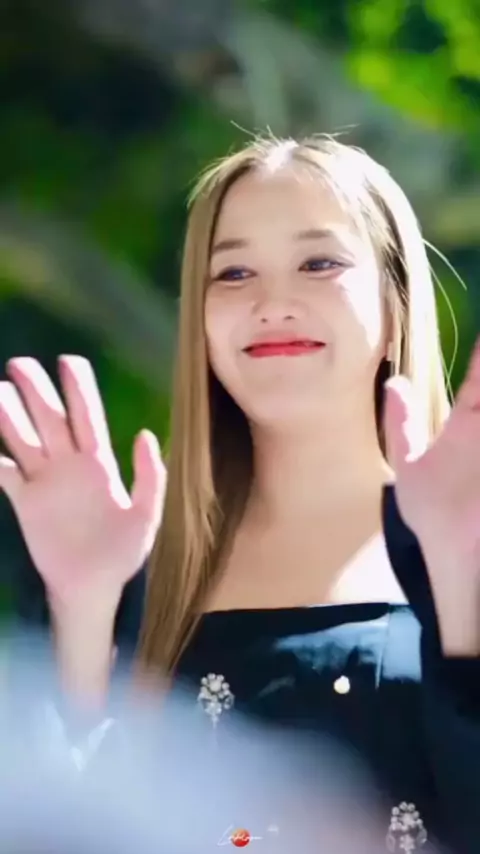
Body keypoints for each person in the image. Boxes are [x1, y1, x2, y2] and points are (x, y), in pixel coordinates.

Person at [1, 134, 480, 853]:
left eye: (319, 263)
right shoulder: (124, 569)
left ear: (396, 301)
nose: (272, 301)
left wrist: (460, 589)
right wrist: (83, 609)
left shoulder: (465, 539)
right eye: (231, 273)